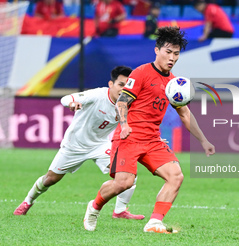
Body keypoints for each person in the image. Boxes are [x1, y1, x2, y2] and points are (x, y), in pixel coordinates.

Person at [83, 26, 215, 233]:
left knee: (176, 176)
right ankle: (95, 205)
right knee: (124, 183)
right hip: (129, 137)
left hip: (152, 140)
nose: (172, 58)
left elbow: (185, 114)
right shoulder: (141, 73)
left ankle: (154, 222)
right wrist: (125, 125)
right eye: (168, 52)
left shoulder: (173, 84)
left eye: (176, 54)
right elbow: (122, 102)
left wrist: (204, 141)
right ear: (157, 50)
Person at [14, 66, 145, 220]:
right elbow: (66, 98)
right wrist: (72, 103)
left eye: (127, 86)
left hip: (100, 145)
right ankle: (27, 201)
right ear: (111, 84)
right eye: (120, 85)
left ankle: (120, 211)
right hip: (74, 145)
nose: (123, 90)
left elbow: (137, 123)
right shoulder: (97, 95)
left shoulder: (128, 103)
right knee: (51, 179)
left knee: (129, 173)